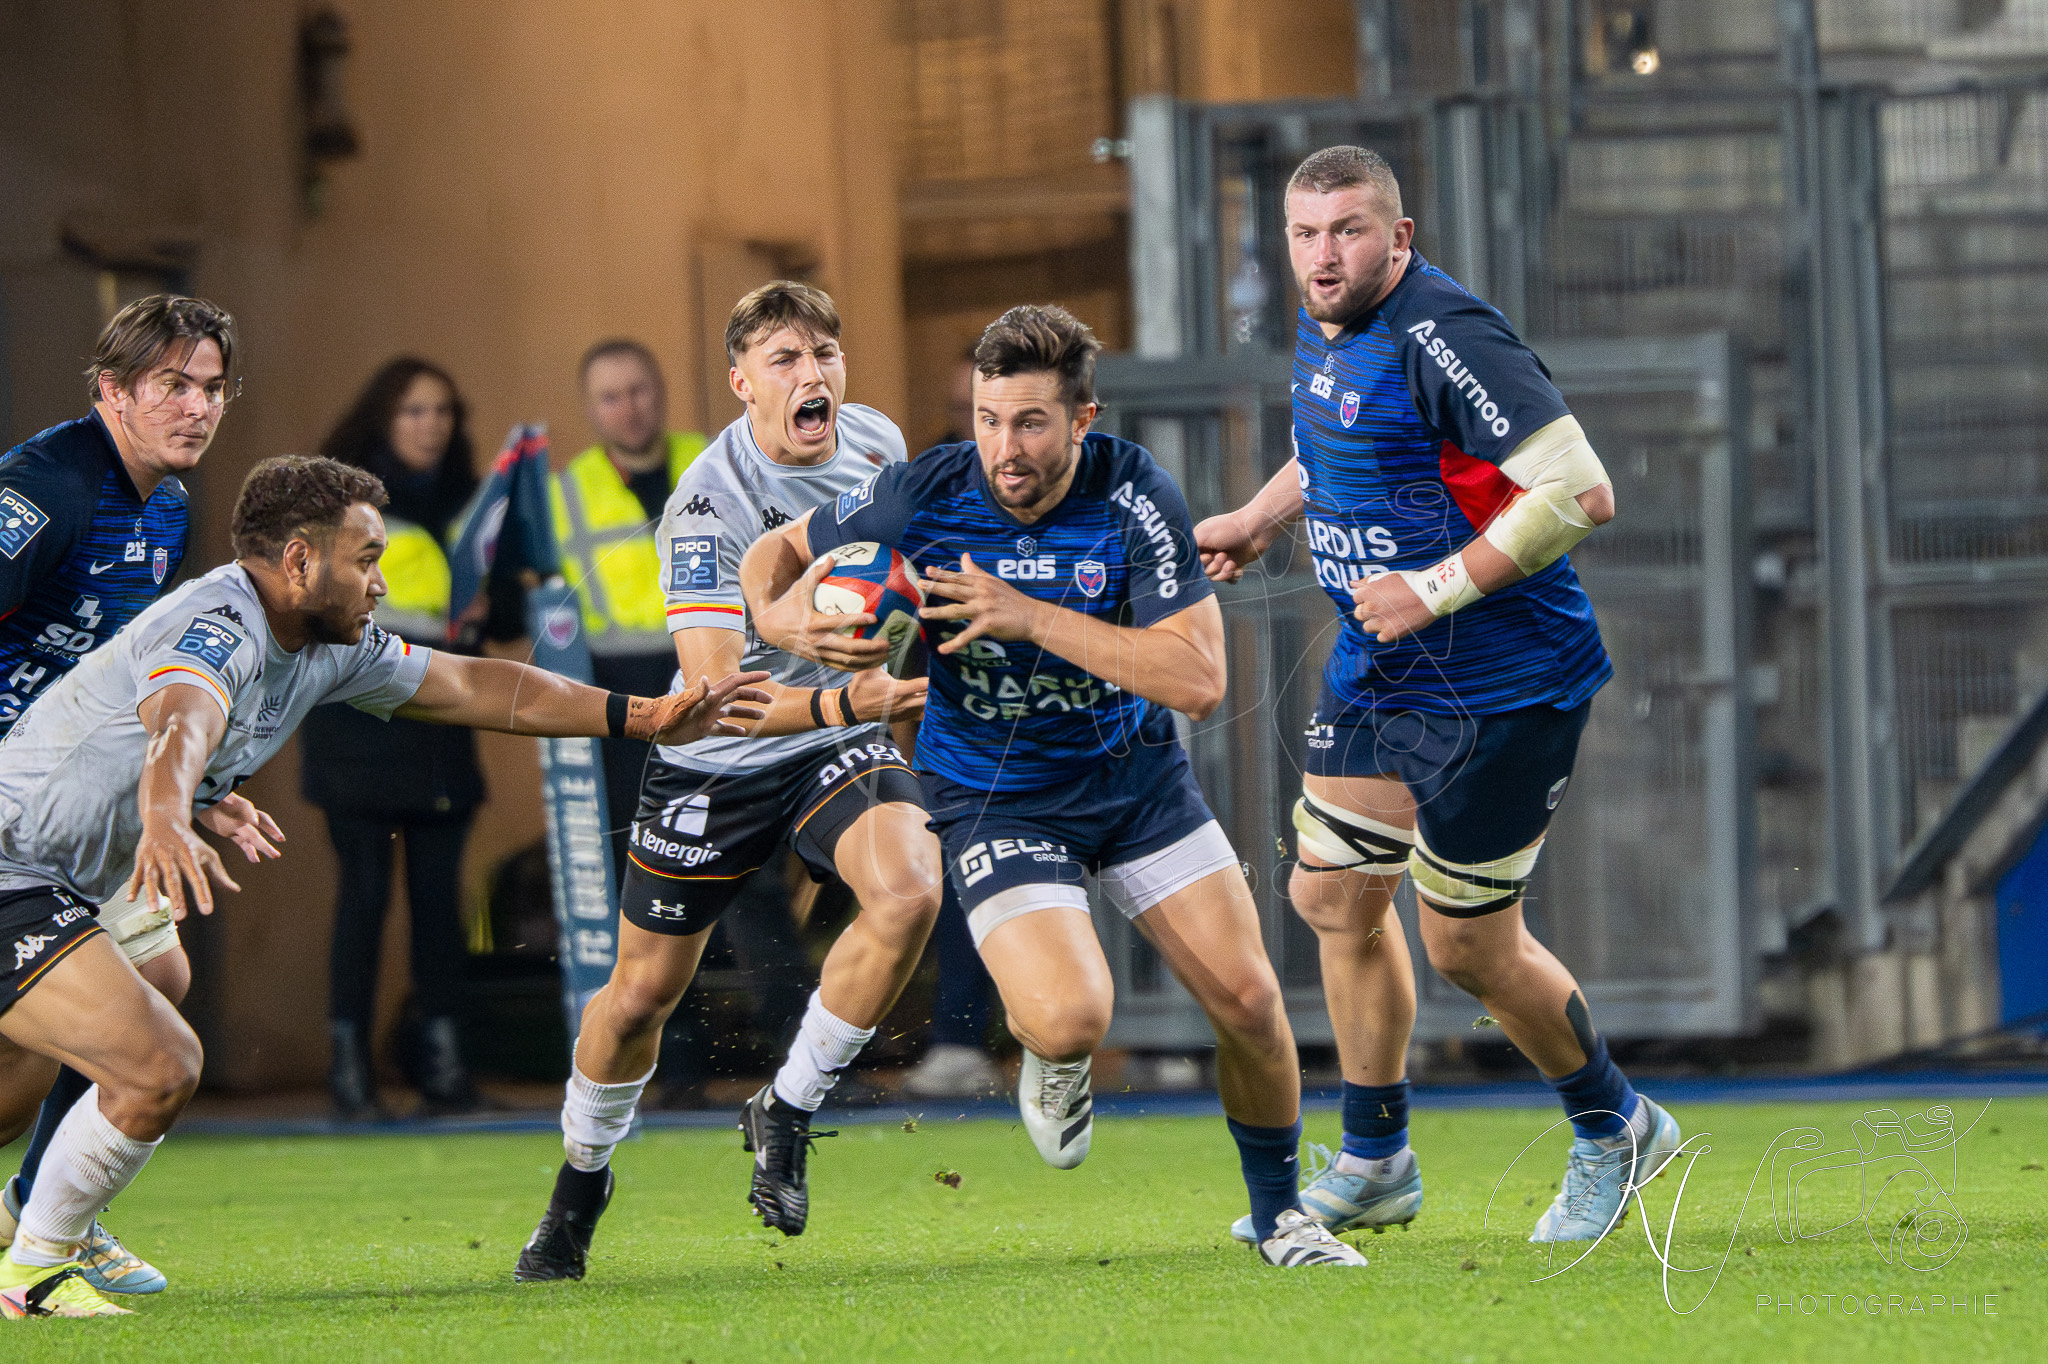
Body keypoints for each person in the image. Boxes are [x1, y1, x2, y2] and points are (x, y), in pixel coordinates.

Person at [0, 454, 764, 1317]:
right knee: (159, 1065)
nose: (379, 580)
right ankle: (36, 1268)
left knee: (144, 995)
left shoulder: (325, 646)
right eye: (365, 559)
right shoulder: (222, 625)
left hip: (69, 871)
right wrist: (172, 809)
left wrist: (643, 717)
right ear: (297, 561)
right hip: (13, 863)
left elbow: (473, 684)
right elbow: (184, 717)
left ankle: (35, 1209)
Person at [744, 304, 1367, 1268]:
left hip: (1136, 783)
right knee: (1073, 1015)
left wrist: (1026, 616)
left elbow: (1198, 680)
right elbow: (771, 554)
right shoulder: (925, 492)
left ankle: (1281, 1215)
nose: (1006, 447)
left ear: (1084, 420)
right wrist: (786, 626)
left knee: (1248, 1001)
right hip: (997, 796)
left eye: (1031, 422)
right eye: (990, 419)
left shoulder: (1132, 493)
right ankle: (1054, 1053)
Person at [1194, 145, 1682, 1247]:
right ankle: (1375, 1159)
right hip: (1379, 666)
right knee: (1331, 897)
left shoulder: (1445, 333)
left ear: (1398, 238)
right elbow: (1336, 441)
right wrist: (1254, 517)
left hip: (1501, 685)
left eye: (1351, 229)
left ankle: (1615, 1123)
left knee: (1463, 943)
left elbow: (1578, 488)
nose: (1326, 254)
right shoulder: (1332, 330)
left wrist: (1434, 584)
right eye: (1306, 233)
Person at [511, 283, 941, 1283]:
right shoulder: (705, 504)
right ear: (742, 382)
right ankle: (580, 1181)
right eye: (784, 358)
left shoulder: (877, 444)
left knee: (911, 886)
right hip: (723, 757)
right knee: (637, 998)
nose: (813, 373)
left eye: (825, 351)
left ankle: (785, 1105)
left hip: (838, 737)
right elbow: (715, 697)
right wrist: (848, 698)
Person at [0, 294, 243, 1300]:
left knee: (160, 981)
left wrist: (195, 789)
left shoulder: (171, 508)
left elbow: (130, 672)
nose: (196, 406)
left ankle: (41, 1210)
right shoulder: (44, 489)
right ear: (110, 389)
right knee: (128, 1034)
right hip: (15, 811)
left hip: (70, 804)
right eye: (171, 384)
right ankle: (41, 1234)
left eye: (212, 387)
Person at [301, 357, 492, 1119]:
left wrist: (488, 613)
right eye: (414, 411)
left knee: (442, 908)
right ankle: (350, 1074)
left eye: (442, 411)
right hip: (358, 731)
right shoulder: (342, 503)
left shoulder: (472, 503)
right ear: (384, 419)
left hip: (442, 733)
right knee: (366, 898)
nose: (430, 425)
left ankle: (445, 1071)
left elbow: (504, 604)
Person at [550, 340, 708, 883]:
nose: (628, 407)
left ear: (661, 393)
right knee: (641, 847)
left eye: (638, 390)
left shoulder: (715, 460)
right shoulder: (563, 492)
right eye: (610, 397)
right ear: (591, 409)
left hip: (714, 671)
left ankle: (737, 968)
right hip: (620, 696)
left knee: (729, 842)